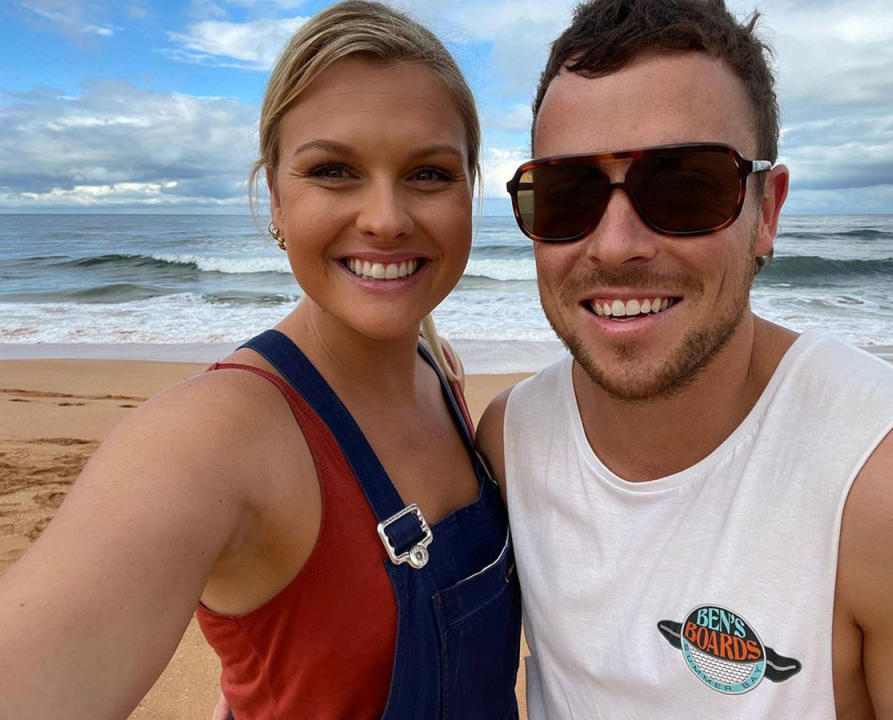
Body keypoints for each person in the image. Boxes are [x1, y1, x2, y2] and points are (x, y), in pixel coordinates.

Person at [0, 2, 521, 718]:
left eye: (429, 174)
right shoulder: (213, 437)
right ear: (275, 196)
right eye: (334, 170)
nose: (387, 217)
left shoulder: (443, 370)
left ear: (470, 190)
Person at [476, 0, 893, 717]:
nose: (615, 245)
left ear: (767, 212)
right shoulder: (511, 441)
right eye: (567, 194)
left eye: (684, 186)